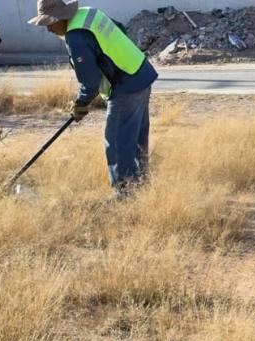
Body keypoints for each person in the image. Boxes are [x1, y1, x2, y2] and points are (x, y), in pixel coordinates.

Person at [28, 0, 159, 196]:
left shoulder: (76, 37)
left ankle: (125, 193)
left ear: (60, 17)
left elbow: (89, 81)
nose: (48, 30)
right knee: (136, 137)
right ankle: (141, 184)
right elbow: (120, 29)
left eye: (49, 23)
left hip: (126, 86)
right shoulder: (88, 14)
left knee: (116, 141)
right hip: (140, 73)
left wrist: (81, 103)